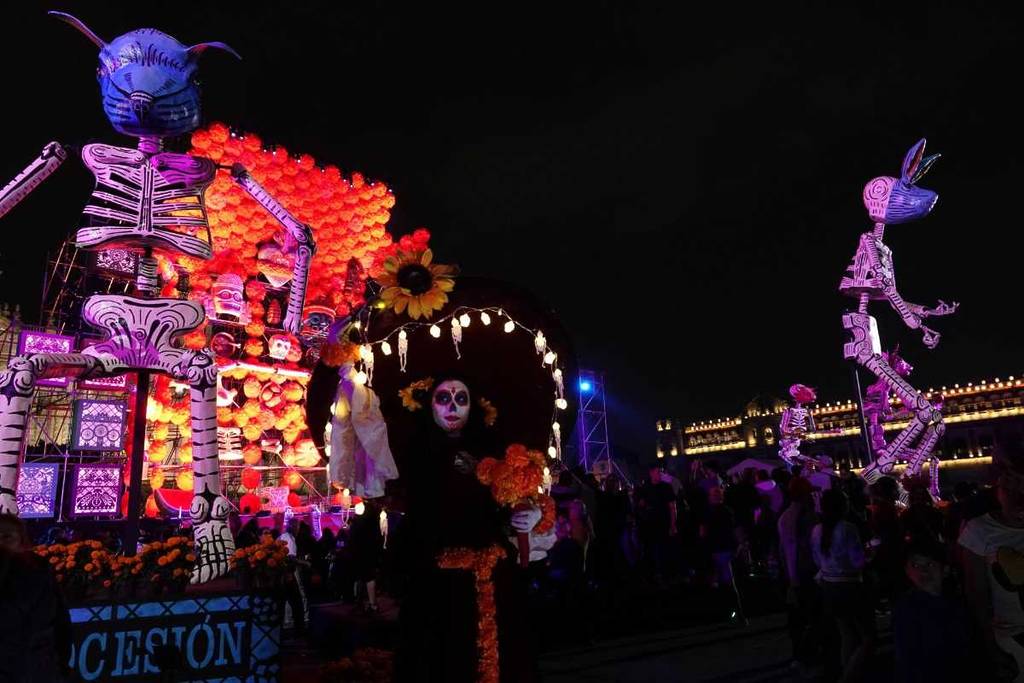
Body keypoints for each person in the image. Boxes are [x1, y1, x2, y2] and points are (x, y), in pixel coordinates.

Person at [960, 442, 1024, 681]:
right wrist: (990, 646)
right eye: (1008, 484)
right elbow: (976, 595)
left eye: (1021, 484)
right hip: (1010, 640)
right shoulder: (979, 530)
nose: (1016, 493)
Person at [0, 513, 71, 682]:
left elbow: (60, 624)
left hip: (33, 666)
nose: (0, 542)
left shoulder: (39, 571)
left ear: (21, 540)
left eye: (7, 537)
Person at [812, 489, 873, 683]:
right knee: (868, 637)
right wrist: (869, 555)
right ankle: (848, 676)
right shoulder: (847, 528)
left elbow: (816, 560)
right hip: (849, 585)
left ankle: (848, 672)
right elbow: (857, 561)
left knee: (846, 634)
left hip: (829, 585)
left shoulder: (817, 530)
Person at [892, 539, 968, 683]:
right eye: (915, 565)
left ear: (945, 569)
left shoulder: (956, 604)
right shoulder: (908, 608)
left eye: (930, 564)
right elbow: (907, 657)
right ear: (907, 571)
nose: (923, 570)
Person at [778, 477, 820, 672]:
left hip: (797, 571)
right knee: (808, 616)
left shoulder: (786, 515)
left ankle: (802, 654)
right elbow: (792, 549)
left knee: (800, 617)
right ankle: (805, 656)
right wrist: (793, 579)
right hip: (805, 571)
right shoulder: (802, 517)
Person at [701, 486, 746, 624]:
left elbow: (703, 533)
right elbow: (736, 530)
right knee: (729, 583)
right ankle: (737, 614)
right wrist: (740, 546)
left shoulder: (708, 513)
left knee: (720, 583)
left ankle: (731, 615)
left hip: (716, 550)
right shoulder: (728, 511)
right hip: (727, 550)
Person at [636, 465, 677, 583]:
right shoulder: (645, 488)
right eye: (658, 472)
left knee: (664, 550)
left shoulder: (666, 487)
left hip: (663, 524)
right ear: (651, 473)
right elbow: (640, 505)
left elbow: (672, 507)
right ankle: (653, 575)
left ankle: (665, 575)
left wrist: (673, 524)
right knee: (650, 550)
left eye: (660, 472)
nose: (660, 474)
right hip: (649, 525)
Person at [278, 516, 309, 633]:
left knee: (289, 598)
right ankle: (297, 622)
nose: (298, 529)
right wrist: (305, 563)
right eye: (298, 526)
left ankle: (288, 621)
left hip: (286, 571)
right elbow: (290, 558)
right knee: (296, 597)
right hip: (289, 571)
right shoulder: (289, 538)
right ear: (294, 526)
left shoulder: (286, 536)